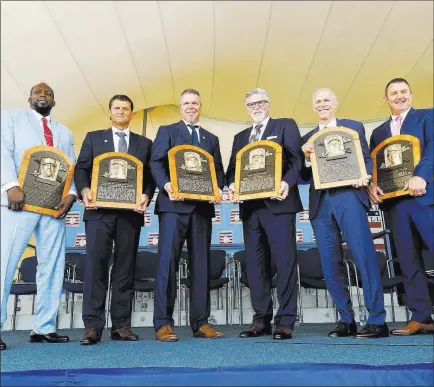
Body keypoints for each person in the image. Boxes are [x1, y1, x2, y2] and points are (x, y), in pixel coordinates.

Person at [300, 87, 388, 339]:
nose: (322, 104)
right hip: (321, 202)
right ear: (313, 106)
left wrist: (367, 177)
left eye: (327, 100)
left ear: (336, 102)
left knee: (364, 257)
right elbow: (304, 176)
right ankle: (345, 320)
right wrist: (306, 156)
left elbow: (367, 160)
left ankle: (377, 320)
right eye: (318, 101)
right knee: (330, 263)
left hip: (350, 196)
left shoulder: (353, 127)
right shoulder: (307, 137)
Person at [1, 82, 77, 350]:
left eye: (48, 93)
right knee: (5, 264)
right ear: (29, 98)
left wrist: (72, 195)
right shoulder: (10, 117)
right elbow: (3, 152)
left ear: (54, 102)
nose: (42, 95)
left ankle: (44, 328)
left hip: (52, 206)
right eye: (38, 92)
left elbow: (70, 164)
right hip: (18, 202)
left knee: (53, 266)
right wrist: (10, 186)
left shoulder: (64, 131)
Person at [74, 95, 155, 345]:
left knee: (124, 269)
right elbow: (81, 168)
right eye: (117, 108)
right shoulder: (93, 137)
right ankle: (92, 326)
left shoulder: (145, 143)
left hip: (130, 215)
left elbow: (150, 176)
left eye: (126, 109)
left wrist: (146, 195)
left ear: (132, 113)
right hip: (98, 213)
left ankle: (121, 326)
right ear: (109, 112)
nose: (121, 112)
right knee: (95, 268)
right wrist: (85, 190)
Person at [226, 88, 303, 340]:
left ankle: (286, 320)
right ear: (246, 108)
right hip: (250, 210)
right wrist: (232, 185)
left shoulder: (285, 126)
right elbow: (231, 172)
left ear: (268, 104)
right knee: (256, 266)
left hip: (279, 204)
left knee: (284, 263)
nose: (256, 107)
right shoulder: (240, 137)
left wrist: (287, 183)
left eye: (260, 102)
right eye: (251, 104)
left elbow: (296, 160)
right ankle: (261, 319)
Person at [151, 89, 225, 342]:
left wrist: (216, 189)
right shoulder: (167, 131)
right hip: (173, 206)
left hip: (201, 209)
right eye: (186, 103)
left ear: (200, 107)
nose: (190, 107)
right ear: (180, 107)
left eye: (195, 103)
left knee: (201, 266)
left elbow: (218, 172)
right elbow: (156, 162)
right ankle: (163, 323)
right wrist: (167, 185)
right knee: (167, 265)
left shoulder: (211, 138)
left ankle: (201, 322)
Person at [368, 78, 434, 336]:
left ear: (411, 94)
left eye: (403, 91)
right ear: (386, 99)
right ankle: (421, 316)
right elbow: (377, 166)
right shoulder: (379, 132)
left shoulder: (427, 117)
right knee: (408, 261)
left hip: (424, 197)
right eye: (393, 93)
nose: (399, 96)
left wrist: (422, 175)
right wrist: (372, 185)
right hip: (396, 204)